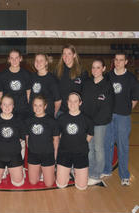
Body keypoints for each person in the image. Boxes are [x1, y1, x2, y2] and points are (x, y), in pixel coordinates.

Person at [102, 52, 139, 186]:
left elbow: (135, 99)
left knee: (123, 146)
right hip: (109, 116)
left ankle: (124, 175)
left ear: (126, 62)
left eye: (121, 60)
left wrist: (126, 110)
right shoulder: (108, 76)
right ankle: (107, 169)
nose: (118, 62)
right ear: (114, 61)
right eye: (116, 60)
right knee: (108, 143)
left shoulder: (131, 78)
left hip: (123, 117)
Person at [81, 59, 114, 185]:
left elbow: (107, 108)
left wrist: (94, 122)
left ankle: (96, 174)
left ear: (104, 69)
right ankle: (90, 170)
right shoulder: (87, 83)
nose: (95, 70)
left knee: (99, 149)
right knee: (89, 148)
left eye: (98, 67)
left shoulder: (107, 86)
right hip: (88, 123)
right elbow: (83, 104)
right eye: (93, 67)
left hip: (100, 124)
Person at [56, 92, 94, 190]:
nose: (72, 104)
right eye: (70, 101)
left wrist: (80, 144)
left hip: (81, 154)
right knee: (61, 184)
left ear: (80, 103)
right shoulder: (61, 118)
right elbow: (58, 135)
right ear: (67, 102)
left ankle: (76, 171)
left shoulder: (87, 119)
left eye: (75, 101)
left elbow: (90, 135)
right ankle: (68, 171)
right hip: (65, 153)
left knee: (82, 187)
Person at [0, 94, 25, 187]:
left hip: (14, 155)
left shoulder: (19, 121)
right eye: (4, 104)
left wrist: (10, 145)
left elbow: (21, 138)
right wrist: (0, 145)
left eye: (9, 104)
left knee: (18, 183)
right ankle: (0, 169)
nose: (7, 107)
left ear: (13, 106)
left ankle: (15, 169)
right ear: (1, 106)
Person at [25, 95, 60, 187]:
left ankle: (51, 171)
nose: (37, 108)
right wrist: (31, 150)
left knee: (49, 184)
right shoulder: (28, 121)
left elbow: (56, 141)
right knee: (33, 182)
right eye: (35, 105)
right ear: (32, 106)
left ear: (45, 106)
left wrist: (55, 157)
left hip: (48, 154)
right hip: (33, 154)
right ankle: (39, 170)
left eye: (40, 105)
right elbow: (27, 138)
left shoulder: (52, 122)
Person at [54, 44, 89, 117]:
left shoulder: (82, 72)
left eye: (69, 54)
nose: (66, 57)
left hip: (76, 112)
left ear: (74, 55)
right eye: (64, 54)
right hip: (61, 111)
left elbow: (85, 94)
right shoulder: (57, 71)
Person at [0, 49, 31, 120]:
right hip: (8, 110)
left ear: (20, 58)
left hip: (23, 110)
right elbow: (0, 96)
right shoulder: (2, 75)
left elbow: (28, 95)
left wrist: (29, 109)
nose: (14, 60)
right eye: (12, 58)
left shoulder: (26, 74)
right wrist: (4, 110)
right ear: (9, 59)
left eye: (16, 58)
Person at [30, 53, 61, 118]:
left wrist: (54, 113)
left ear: (46, 62)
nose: (38, 63)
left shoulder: (52, 79)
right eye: (36, 60)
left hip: (47, 115)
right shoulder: (32, 76)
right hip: (33, 114)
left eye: (41, 60)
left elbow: (58, 101)